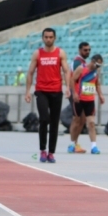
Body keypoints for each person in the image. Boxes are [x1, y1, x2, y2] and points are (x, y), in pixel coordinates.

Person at [25, 28, 71, 163]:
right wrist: (27, 91)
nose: (48, 39)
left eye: (51, 37)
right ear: (42, 38)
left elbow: (66, 70)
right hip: (41, 91)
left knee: (55, 122)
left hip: (56, 91)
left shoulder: (60, 53)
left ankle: (51, 152)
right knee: (44, 119)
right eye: (46, 37)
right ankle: (42, 150)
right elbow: (30, 72)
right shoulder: (37, 54)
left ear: (54, 38)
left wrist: (67, 87)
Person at [70, 54, 105, 154]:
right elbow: (72, 80)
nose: (98, 67)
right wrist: (75, 93)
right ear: (93, 61)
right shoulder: (81, 69)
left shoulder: (96, 72)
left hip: (90, 100)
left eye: (100, 65)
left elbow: (97, 84)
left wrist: (101, 95)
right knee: (76, 121)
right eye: (97, 65)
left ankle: (94, 146)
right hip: (79, 99)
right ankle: (72, 143)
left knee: (91, 123)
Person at [68, 42, 91, 153]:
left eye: (89, 50)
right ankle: (72, 144)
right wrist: (73, 92)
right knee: (77, 119)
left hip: (82, 94)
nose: (87, 52)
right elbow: (74, 78)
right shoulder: (77, 62)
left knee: (82, 119)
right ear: (79, 50)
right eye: (85, 50)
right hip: (76, 94)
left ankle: (75, 143)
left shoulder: (83, 62)